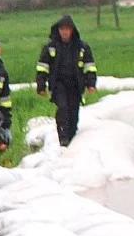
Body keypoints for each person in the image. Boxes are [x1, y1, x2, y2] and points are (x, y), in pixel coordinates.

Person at [36, 15, 97, 147]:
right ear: (58, 30)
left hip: (76, 85)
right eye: (62, 29)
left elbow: (89, 66)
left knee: (73, 114)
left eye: (67, 29)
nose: (64, 32)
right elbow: (43, 67)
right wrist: (41, 85)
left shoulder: (82, 47)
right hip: (58, 85)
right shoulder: (50, 48)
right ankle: (63, 140)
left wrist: (91, 84)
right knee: (63, 109)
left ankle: (72, 140)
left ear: (72, 30)